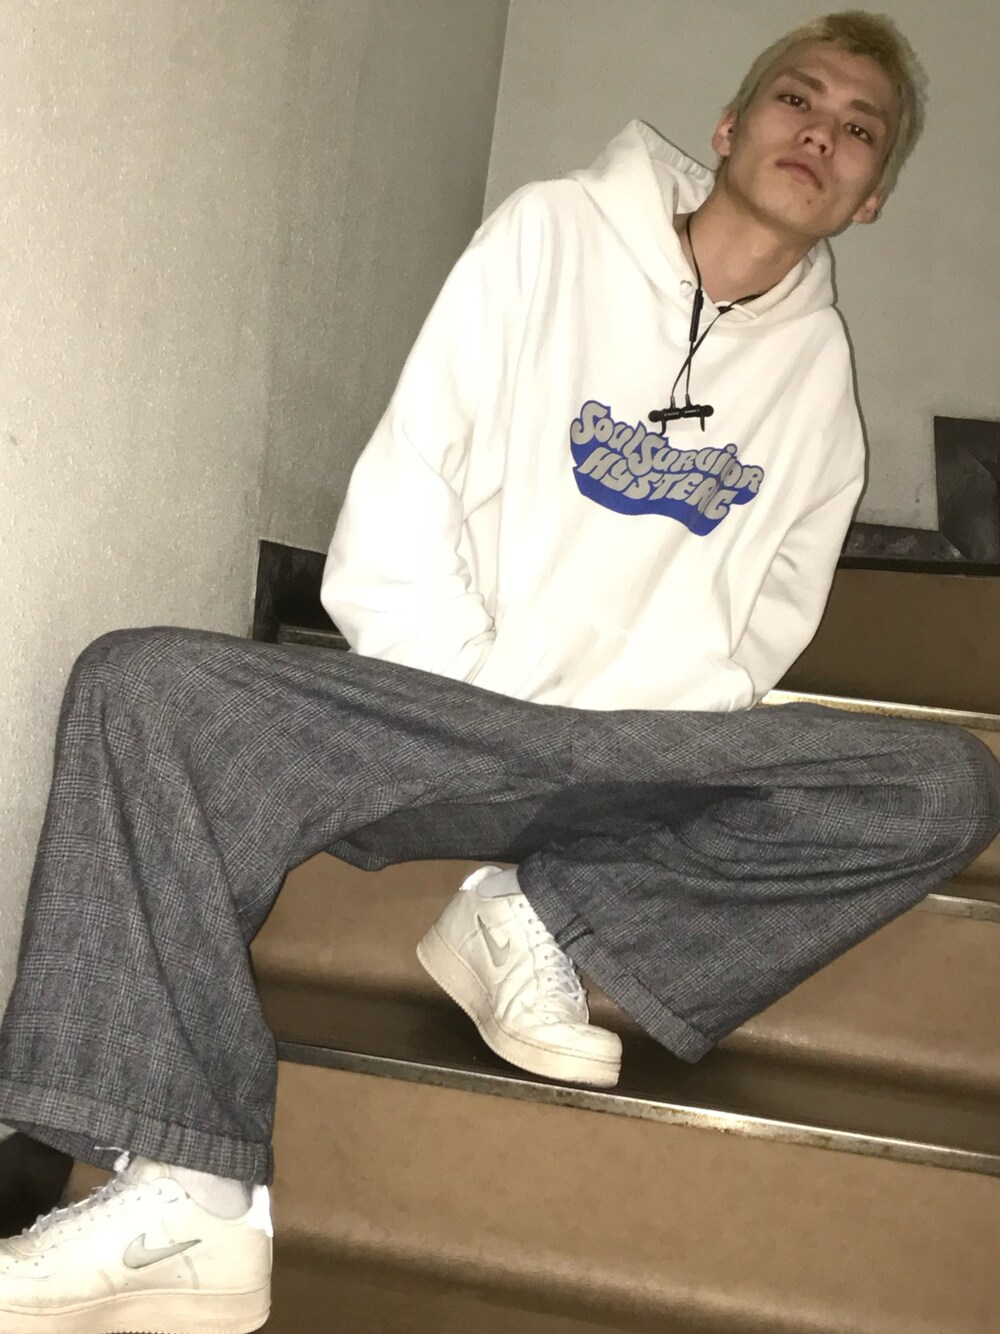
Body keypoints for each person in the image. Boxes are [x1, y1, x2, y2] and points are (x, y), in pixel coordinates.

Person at [0, 11, 997, 1334]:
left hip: (630, 764)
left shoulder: (821, 382)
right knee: (144, 684)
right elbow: (414, 476)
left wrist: (648, 735)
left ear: (870, 197)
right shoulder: (551, 233)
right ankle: (191, 1194)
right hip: (440, 713)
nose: (820, 131)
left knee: (944, 783)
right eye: (795, 99)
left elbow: (771, 620)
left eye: (859, 129)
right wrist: (467, 694)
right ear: (728, 127)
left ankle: (542, 916)